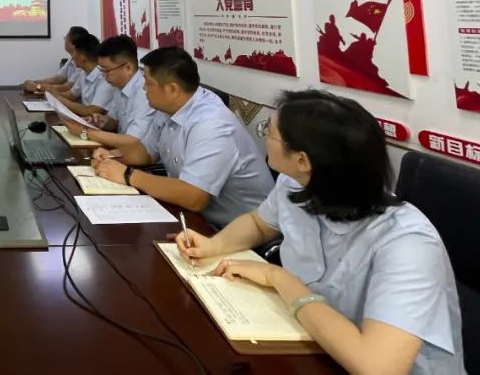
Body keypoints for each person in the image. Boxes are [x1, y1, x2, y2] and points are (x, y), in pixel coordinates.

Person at [177, 90, 464, 374]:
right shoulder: (294, 184)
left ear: (303, 161)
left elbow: (377, 366)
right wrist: (213, 246)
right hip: (314, 343)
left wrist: (278, 278)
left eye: (269, 131)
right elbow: (258, 223)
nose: (263, 135)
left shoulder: (408, 243)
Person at [91, 46, 273, 228]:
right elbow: (146, 153)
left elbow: (194, 197)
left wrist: (127, 175)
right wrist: (113, 156)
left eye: (148, 82)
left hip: (238, 230)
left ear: (172, 89)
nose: (143, 87)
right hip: (195, 218)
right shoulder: (168, 108)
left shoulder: (210, 123)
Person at [60, 34, 156, 147]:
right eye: (101, 70)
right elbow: (114, 122)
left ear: (128, 68)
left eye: (107, 70)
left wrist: (85, 132)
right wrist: (102, 121)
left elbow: (132, 141)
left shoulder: (145, 93)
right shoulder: (119, 86)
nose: (103, 75)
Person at [51, 33, 118, 117]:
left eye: (74, 52)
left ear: (82, 57)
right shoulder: (84, 72)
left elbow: (90, 110)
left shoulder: (104, 78)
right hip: (86, 120)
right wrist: (52, 94)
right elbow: (71, 94)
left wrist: (59, 99)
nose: (72, 57)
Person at [23, 26, 89, 93]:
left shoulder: (82, 63)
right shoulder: (72, 58)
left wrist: (37, 86)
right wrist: (34, 82)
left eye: (65, 38)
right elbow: (58, 78)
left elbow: (67, 87)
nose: (64, 41)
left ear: (73, 44)